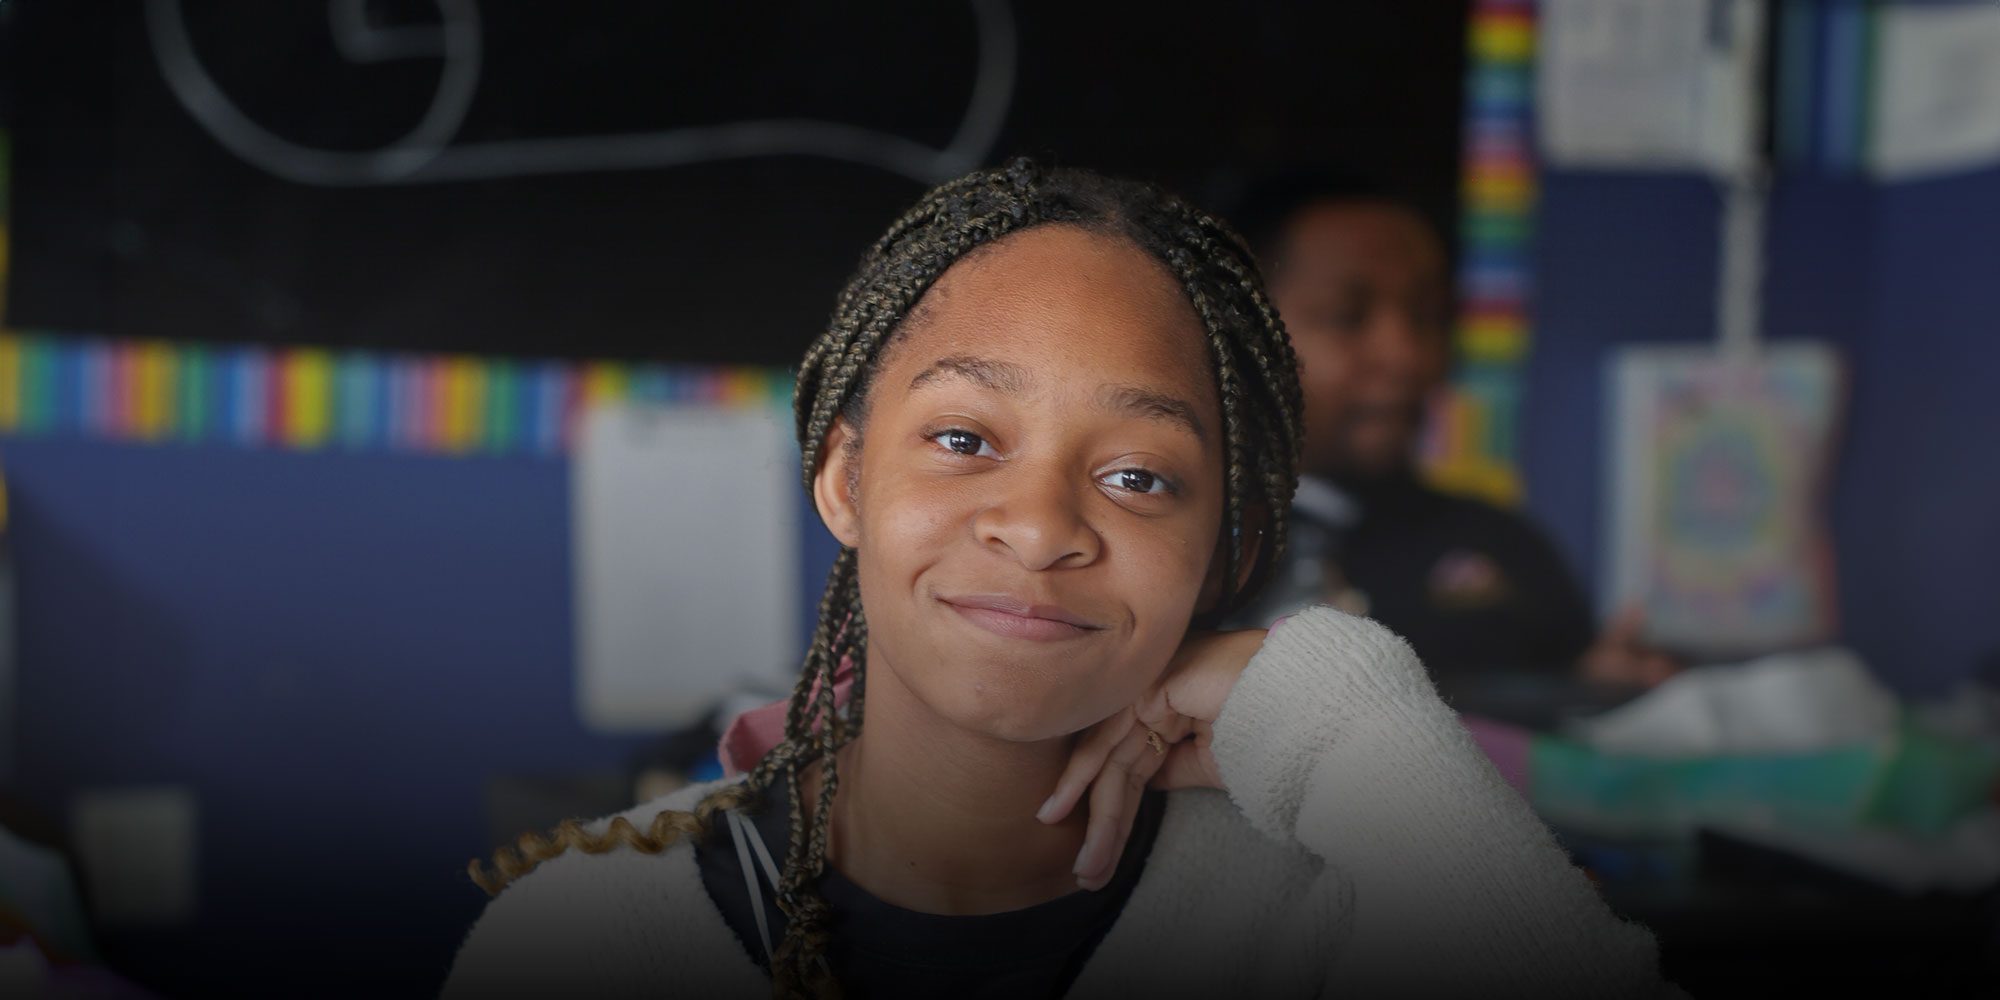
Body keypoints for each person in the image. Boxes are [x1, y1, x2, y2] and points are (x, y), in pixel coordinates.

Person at [443, 160, 1676, 998]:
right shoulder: (584, 935)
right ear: (841, 481)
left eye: (1139, 475)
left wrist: (1344, 711)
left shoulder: (1340, 923)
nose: (1038, 529)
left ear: (1231, 551)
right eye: (964, 439)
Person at [1229, 175, 1678, 688]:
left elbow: (1565, 705)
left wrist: (1595, 688)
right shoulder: (1197, 549)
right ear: (1244, 340)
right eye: (1345, 317)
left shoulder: (1504, 549)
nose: (1406, 357)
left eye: (1428, 316)